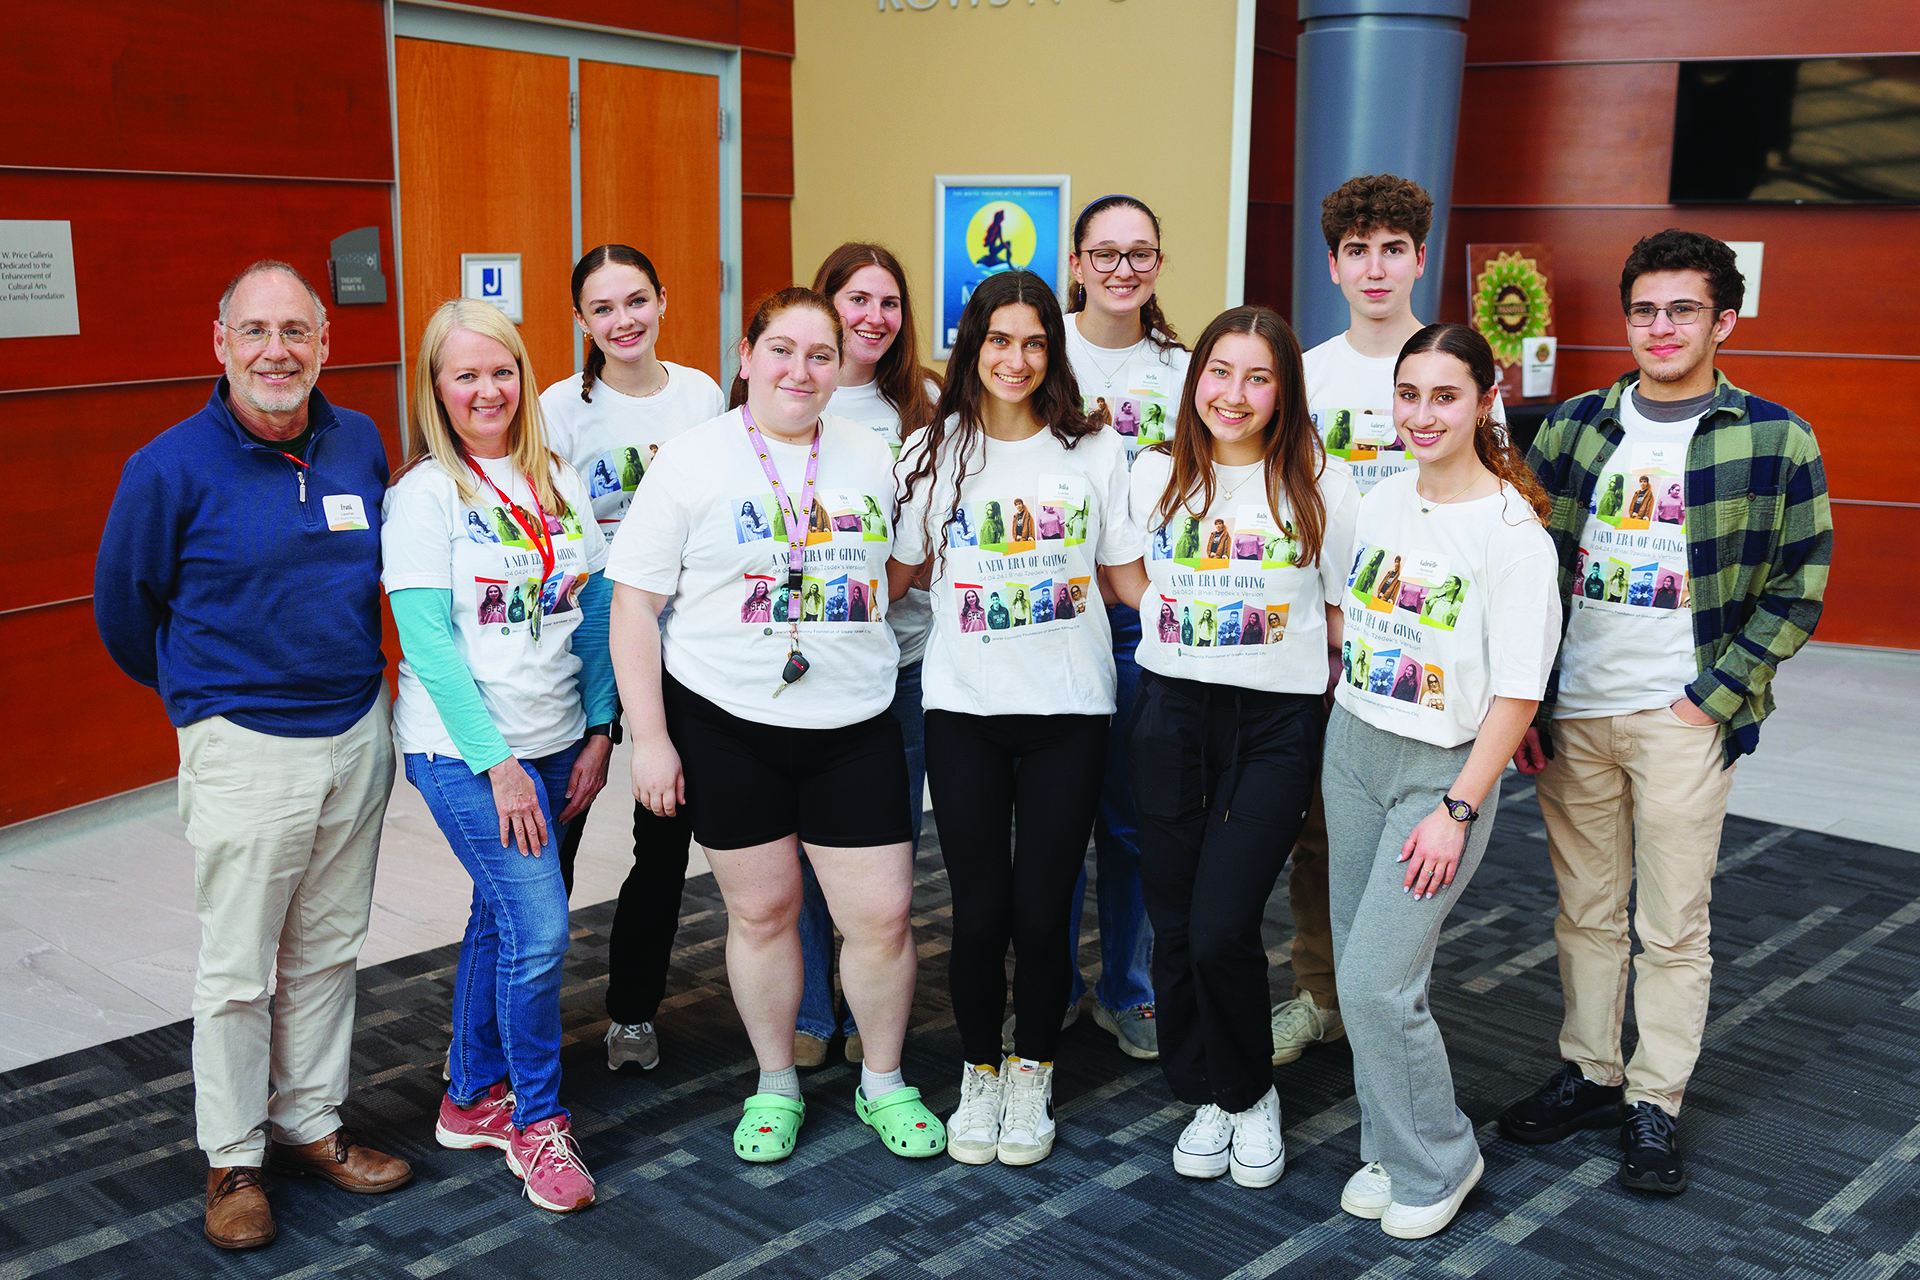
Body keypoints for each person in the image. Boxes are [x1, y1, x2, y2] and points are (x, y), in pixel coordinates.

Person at [1499, 230, 1833, 1195]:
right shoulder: (1574, 426)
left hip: (1684, 716)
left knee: (1674, 924)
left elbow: (1799, 586)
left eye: (1683, 309)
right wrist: (1527, 701)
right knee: (1586, 911)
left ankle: (1656, 1101)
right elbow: (1525, 568)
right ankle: (1592, 1072)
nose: (1660, 327)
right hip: (1576, 709)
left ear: (1724, 321)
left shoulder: (1776, 437)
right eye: (1644, 310)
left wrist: (1710, 701)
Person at [94, 260, 411, 1251]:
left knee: (328, 946)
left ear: (325, 343)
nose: (277, 351)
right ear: (220, 343)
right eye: (256, 331)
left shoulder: (359, 442)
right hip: (242, 746)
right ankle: (232, 1156)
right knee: (238, 969)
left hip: (355, 730)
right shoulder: (165, 467)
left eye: (296, 331)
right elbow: (123, 613)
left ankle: (309, 1121)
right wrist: (207, 702)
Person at [606, 287, 944, 1165]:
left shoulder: (874, 456)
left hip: (856, 719)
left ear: (840, 365)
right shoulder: (691, 461)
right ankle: (775, 1083)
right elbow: (633, 606)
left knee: (883, 917)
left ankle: (883, 1080)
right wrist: (652, 739)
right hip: (727, 722)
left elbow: (899, 570)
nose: (801, 371)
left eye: (820, 355)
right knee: (763, 913)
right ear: (747, 355)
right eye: (782, 350)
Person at [893, 269, 1142, 1167]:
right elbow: (896, 577)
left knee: (1042, 914)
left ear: (1053, 351)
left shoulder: (1094, 450)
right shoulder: (932, 452)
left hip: (1069, 711)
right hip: (965, 711)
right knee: (978, 914)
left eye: (1035, 342)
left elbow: (1127, 580)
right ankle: (979, 1071)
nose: (1017, 358)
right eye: (1000, 340)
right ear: (974, 345)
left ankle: (1032, 1069)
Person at [1272, 174, 1515, 1071]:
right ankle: (1322, 995)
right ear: (1333, 265)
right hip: (1322, 638)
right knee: (1321, 838)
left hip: (1428, 651)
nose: (1375, 268)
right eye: (1356, 251)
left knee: (1414, 849)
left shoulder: (1457, 364)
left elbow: (1502, 511)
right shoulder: (1304, 374)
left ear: (1419, 257)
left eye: (1393, 250)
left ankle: (1390, 997)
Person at [1325, 323, 1559, 1239]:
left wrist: (1459, 807)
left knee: (1377, 984)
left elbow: (1518, 693)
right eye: (1408, 394)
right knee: (1359, 964)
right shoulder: (1383, 499)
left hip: (1440, 774)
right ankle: (1388, 1143)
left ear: (1486, 401)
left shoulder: (1512, 534)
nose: (1422, 415)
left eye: (1445, 396)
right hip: (1354, 747)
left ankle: (1442, 1159)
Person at [383, 299, 610, 1214]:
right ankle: (537, 1123)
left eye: (502, 370)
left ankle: (471, 1095)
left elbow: (592, 607)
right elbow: (427, 645)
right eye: (466, 374)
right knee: (541, 930)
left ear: (524, 375)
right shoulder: (425, 494)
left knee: (502, 916)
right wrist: (499, 765)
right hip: (464, 751)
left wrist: (601, 728)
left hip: (559, 737)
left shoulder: (555, 476)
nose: (488, 390)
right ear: (436, 388)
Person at [1128, 306, 1358, 1189]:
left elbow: (1339, 611)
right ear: (1196, 381)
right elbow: (1125, 571)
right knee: (1177, 924)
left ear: (1284, 391)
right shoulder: (1153, 472)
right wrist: (1176, 622)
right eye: (1220, 372)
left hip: (1275, 723)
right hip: (1170, 713)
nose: (1235, 393)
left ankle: (1250, 1092)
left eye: (1258, 377)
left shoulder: (1321, 483)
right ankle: (1207, 1093)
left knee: (1224, 923)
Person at [536, 245, 727, 1074]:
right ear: (581, 320)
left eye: (637, 300)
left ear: (663, 301)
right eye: (604, 308)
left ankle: (633, 1012)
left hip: (674, 641)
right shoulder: (557, 409)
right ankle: (507, 1024)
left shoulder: (702, 395)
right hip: (585, 643)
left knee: (664, 839)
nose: (624, 321)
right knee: (556, 839)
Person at [793, 244, 944, 1070]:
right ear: (827, 304)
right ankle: (812, 1010)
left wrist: (877, 596)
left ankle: (866, 1007)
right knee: (803, 851)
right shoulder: (787, 393)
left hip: (902, 663)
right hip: (803, 667)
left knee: (882, 849)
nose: (874, 318)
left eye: (889, 302)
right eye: (857, 299)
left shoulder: (927, 404)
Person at [1056, 193, 1193, 1061]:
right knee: (1055, 819)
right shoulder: (1039, 348)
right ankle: (1053, 984)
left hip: (1149, 619)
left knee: (1138, 818)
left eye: (1139, 253)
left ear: (1158, 264)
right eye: (1104, 253)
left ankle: (1129, 987)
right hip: (1058, 618)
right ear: (1076, 263)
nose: (1121, 269)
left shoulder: (1187, 369)